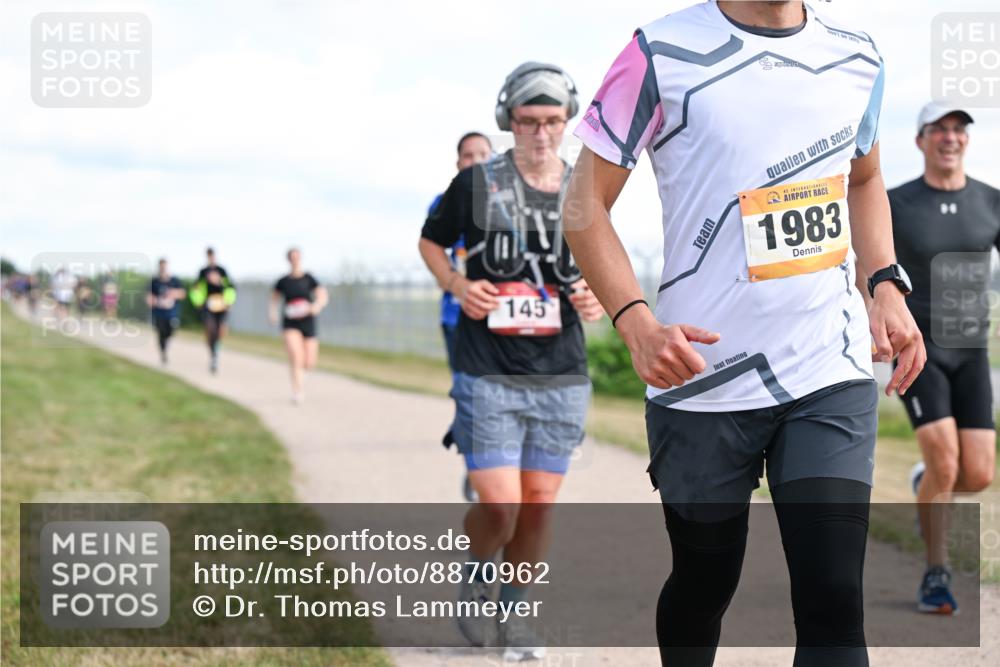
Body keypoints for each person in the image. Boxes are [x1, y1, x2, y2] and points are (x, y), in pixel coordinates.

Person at [562, 2, 925, 665]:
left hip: (828, 368)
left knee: (834, 597)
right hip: (702, 375)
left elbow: (864, 178)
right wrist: (635, 322)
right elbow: (582, 204)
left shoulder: (859, 55)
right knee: (705, 583)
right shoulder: (658, 52)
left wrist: (884, 282)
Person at [419, 62, 603, 660]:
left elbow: (604, 268)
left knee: (539, 503)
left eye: (554, 121)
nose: (542, 133)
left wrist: (597, 295)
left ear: (569, 121)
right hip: (487, 368)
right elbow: (430, 239)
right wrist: (454, 283)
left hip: (561, 371)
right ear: (509, 121)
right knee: (501, 504)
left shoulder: (587, 188)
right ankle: (476, 568)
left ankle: (517, 614)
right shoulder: (475, 184)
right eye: (529, 121)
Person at [887, 103, 998, 615]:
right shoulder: (894, 203)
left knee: (977, 475)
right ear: (921, 140)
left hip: (972, 349)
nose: (950, 138)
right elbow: (864, 266)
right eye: (939, 130)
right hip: (918, 348)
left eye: (959, 129)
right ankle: (937, 574)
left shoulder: (991, 202)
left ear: (966, 141)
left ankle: (922, 484)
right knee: (946, 460)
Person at [432, 131, 493, 502]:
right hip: (459, 319)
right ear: (458, 164)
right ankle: (476, 469)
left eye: (483, 154)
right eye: (468, 156)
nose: (475, 162)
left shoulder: (514, 201)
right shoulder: (445, 203)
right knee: (471, 393)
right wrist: (458, 285)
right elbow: (432, 249)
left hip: (506, 322)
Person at [269, 248, 329, 404]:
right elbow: (274, 299)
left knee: (309, 362)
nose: (294, 260)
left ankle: (301, 377)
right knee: (296, 356)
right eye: (292, 257)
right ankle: (298, 391)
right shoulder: (283, 281)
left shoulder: (309, 279)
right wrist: (273, 313)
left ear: (300, 258)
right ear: (288, 260)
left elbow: (322, 295)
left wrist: (317, 305)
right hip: (290, 322)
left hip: (308, 321)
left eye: (297, 257)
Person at [189, 247, 236, 374]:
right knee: (210, 328)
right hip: (208, 305)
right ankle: (213, 354)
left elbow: (230, 287)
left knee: (221, 330)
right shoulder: (203, 272)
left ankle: (216, 349)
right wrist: (198, 302)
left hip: (221, 304)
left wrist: (229, 301)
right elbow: (195, 288)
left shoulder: (222, 271)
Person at [147, 259, 186, 365]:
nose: (163, 269)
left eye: (164, 266)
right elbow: (149, 298)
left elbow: (182, 293)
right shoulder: (154, 282)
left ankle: (165, 346)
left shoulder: (174, 281)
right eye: (161, 267)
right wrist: (156, 301)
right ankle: (163, 353)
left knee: (170, 331)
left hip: (171, 313)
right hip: (159, 313)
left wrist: (173, 294)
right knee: (161, 334)